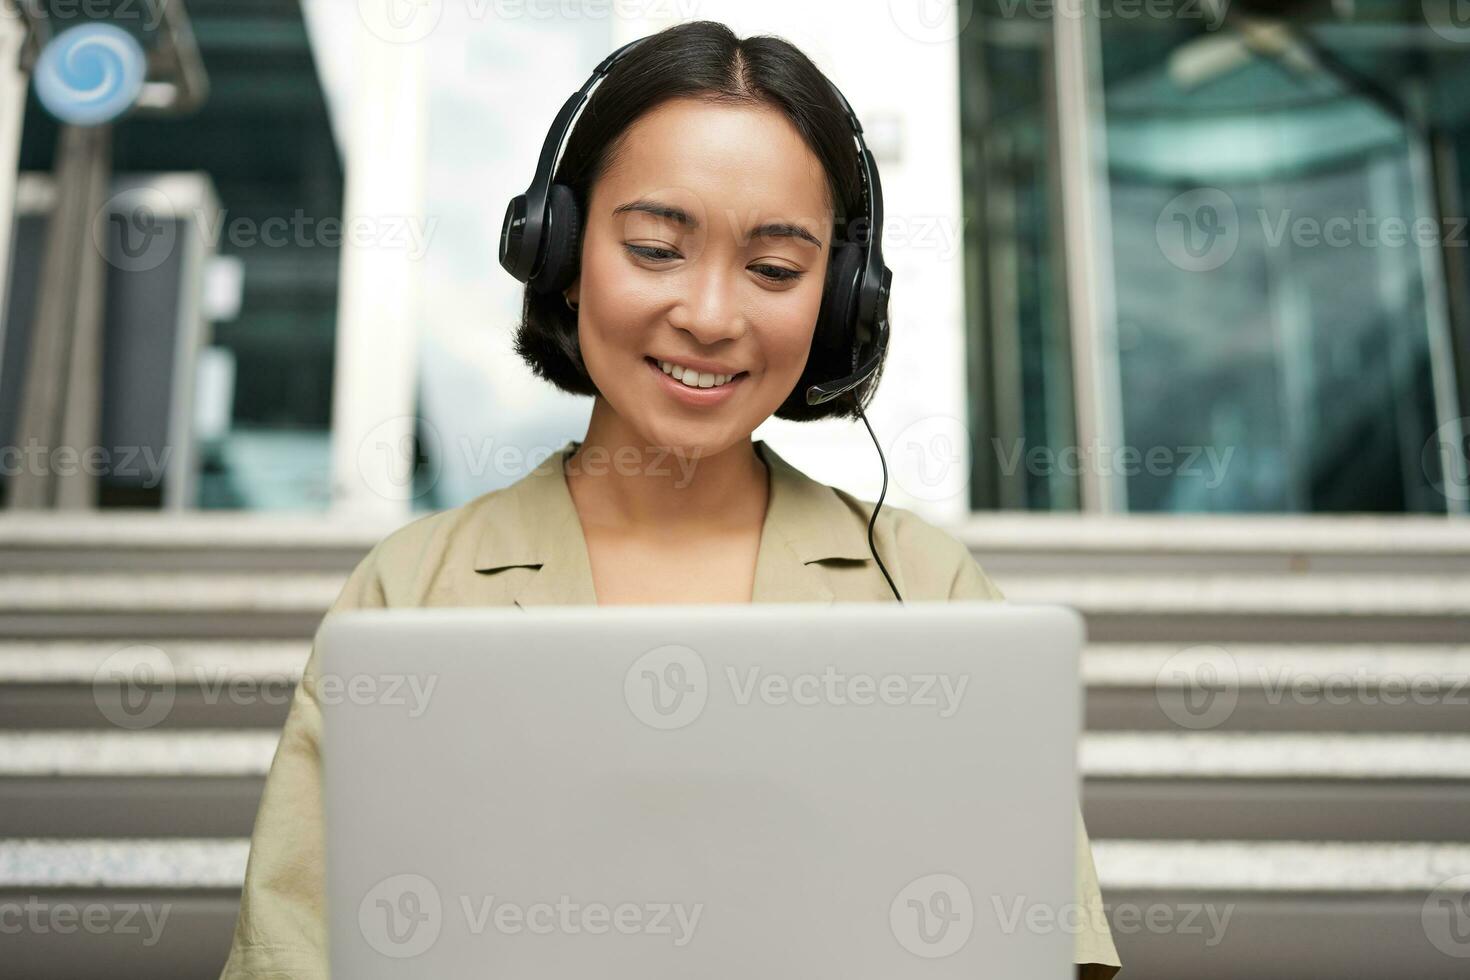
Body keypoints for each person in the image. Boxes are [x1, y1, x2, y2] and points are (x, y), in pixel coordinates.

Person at [219, 19, 1121, 979]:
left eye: (775, 269)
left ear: (843, 299)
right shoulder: (409, 591)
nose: (710, 315)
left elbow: (1037, 950)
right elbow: (296, 954)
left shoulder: (927, 590)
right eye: (656, 248)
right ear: (558, 255)